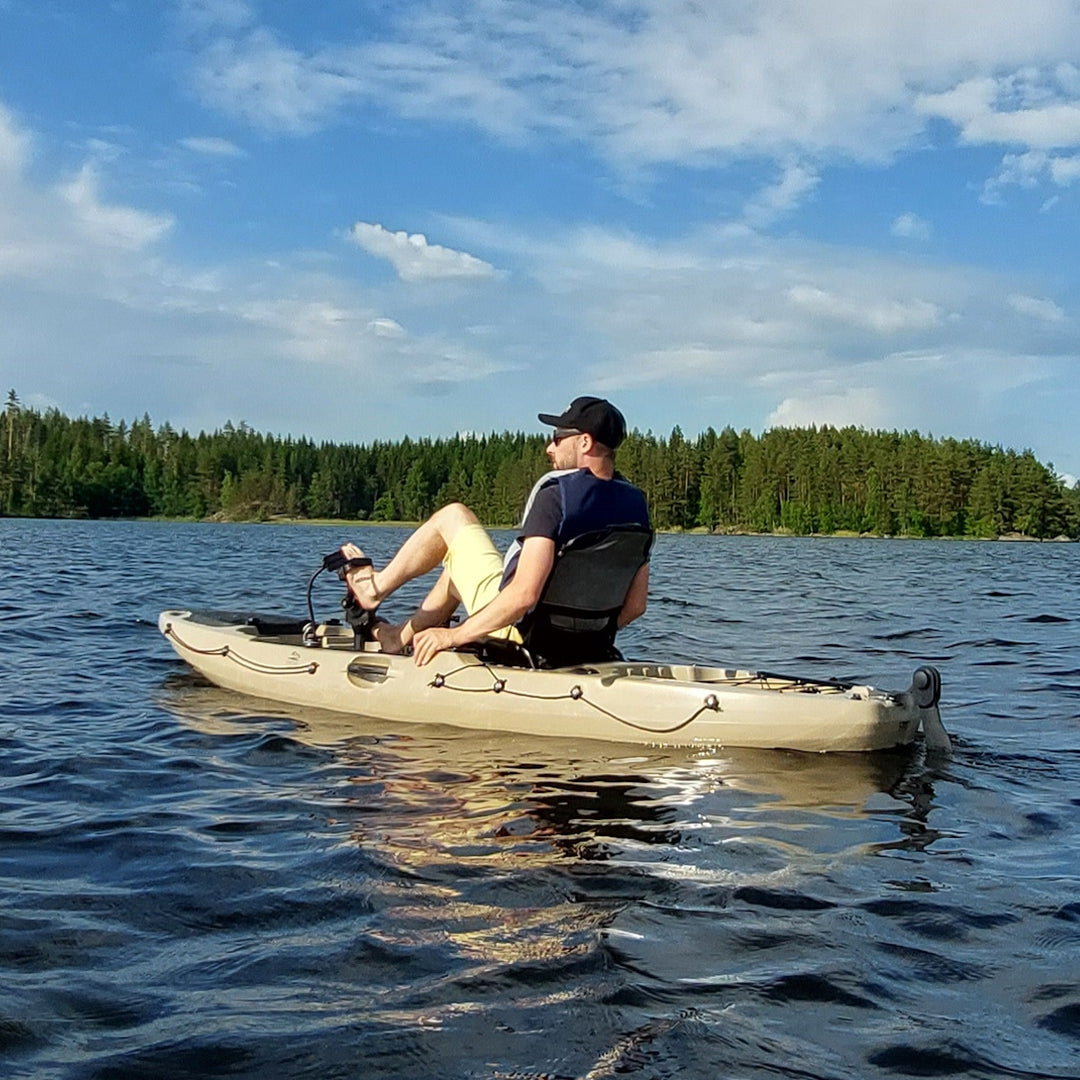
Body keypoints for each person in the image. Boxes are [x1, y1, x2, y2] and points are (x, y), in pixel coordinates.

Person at [340, 396, 651, 667]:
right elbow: (636, 606)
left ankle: (373, 589)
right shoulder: (636, 506)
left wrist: (454, 636)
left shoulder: (557, 496)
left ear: (585, 442)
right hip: (589, 644)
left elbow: (524, 595)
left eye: (558, 437)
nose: (549, 447)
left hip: (521, 632)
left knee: (453, 516)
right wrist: (584, 638)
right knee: (458, 566)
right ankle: (398, 638)